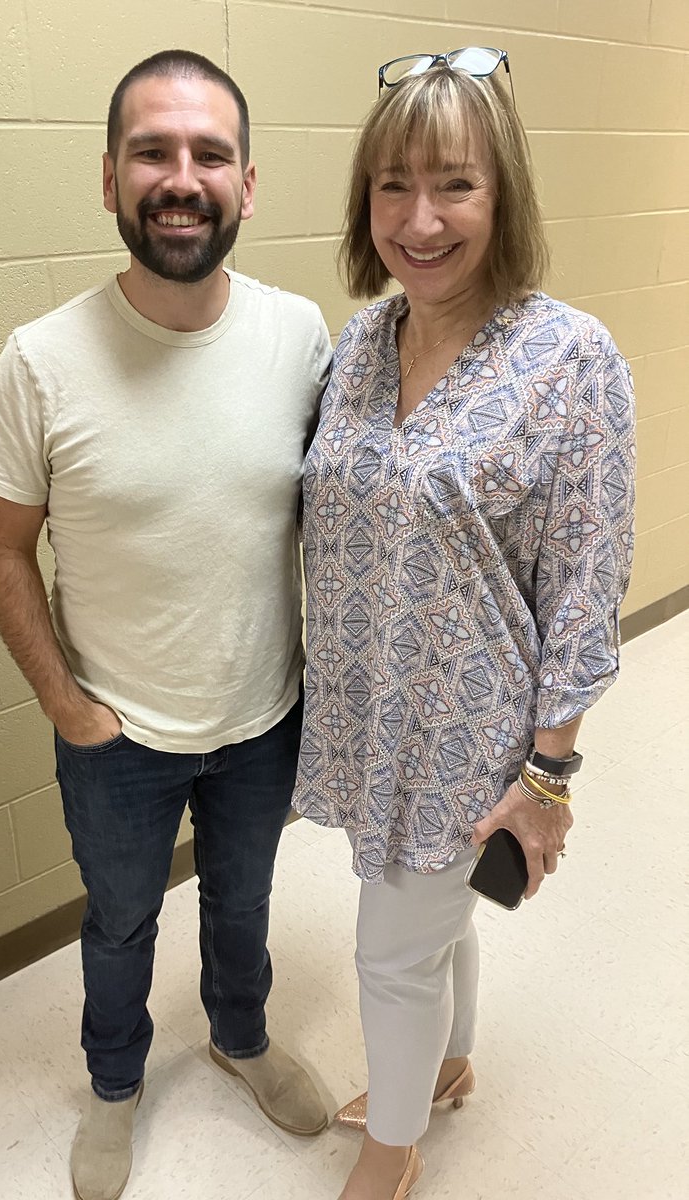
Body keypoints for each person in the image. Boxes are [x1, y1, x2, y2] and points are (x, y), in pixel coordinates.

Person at [0, 49, 331, 1200]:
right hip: (115, 738)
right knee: (120, 923)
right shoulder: (40, 361)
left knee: (245, 899)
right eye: (153, 152)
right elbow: (0, 547)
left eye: (209, 154)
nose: (183, 177)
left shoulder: (301, 336)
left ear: (249, 184)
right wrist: (66, 706)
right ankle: (115, 1086)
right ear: (111, 178)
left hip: (264, 716)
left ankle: (240, 1035)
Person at [291, 48, 634, 1200]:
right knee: (438, 916)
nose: (420, 219)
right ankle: (445, 1067)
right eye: (394, 184)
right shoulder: (357, 350)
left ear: (507, 195)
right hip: (370, 712)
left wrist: (546, 779)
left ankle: (393, 1149)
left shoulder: (569, 359)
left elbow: (588, 581)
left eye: (456, 183)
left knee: (390, 947)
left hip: (471, 731)